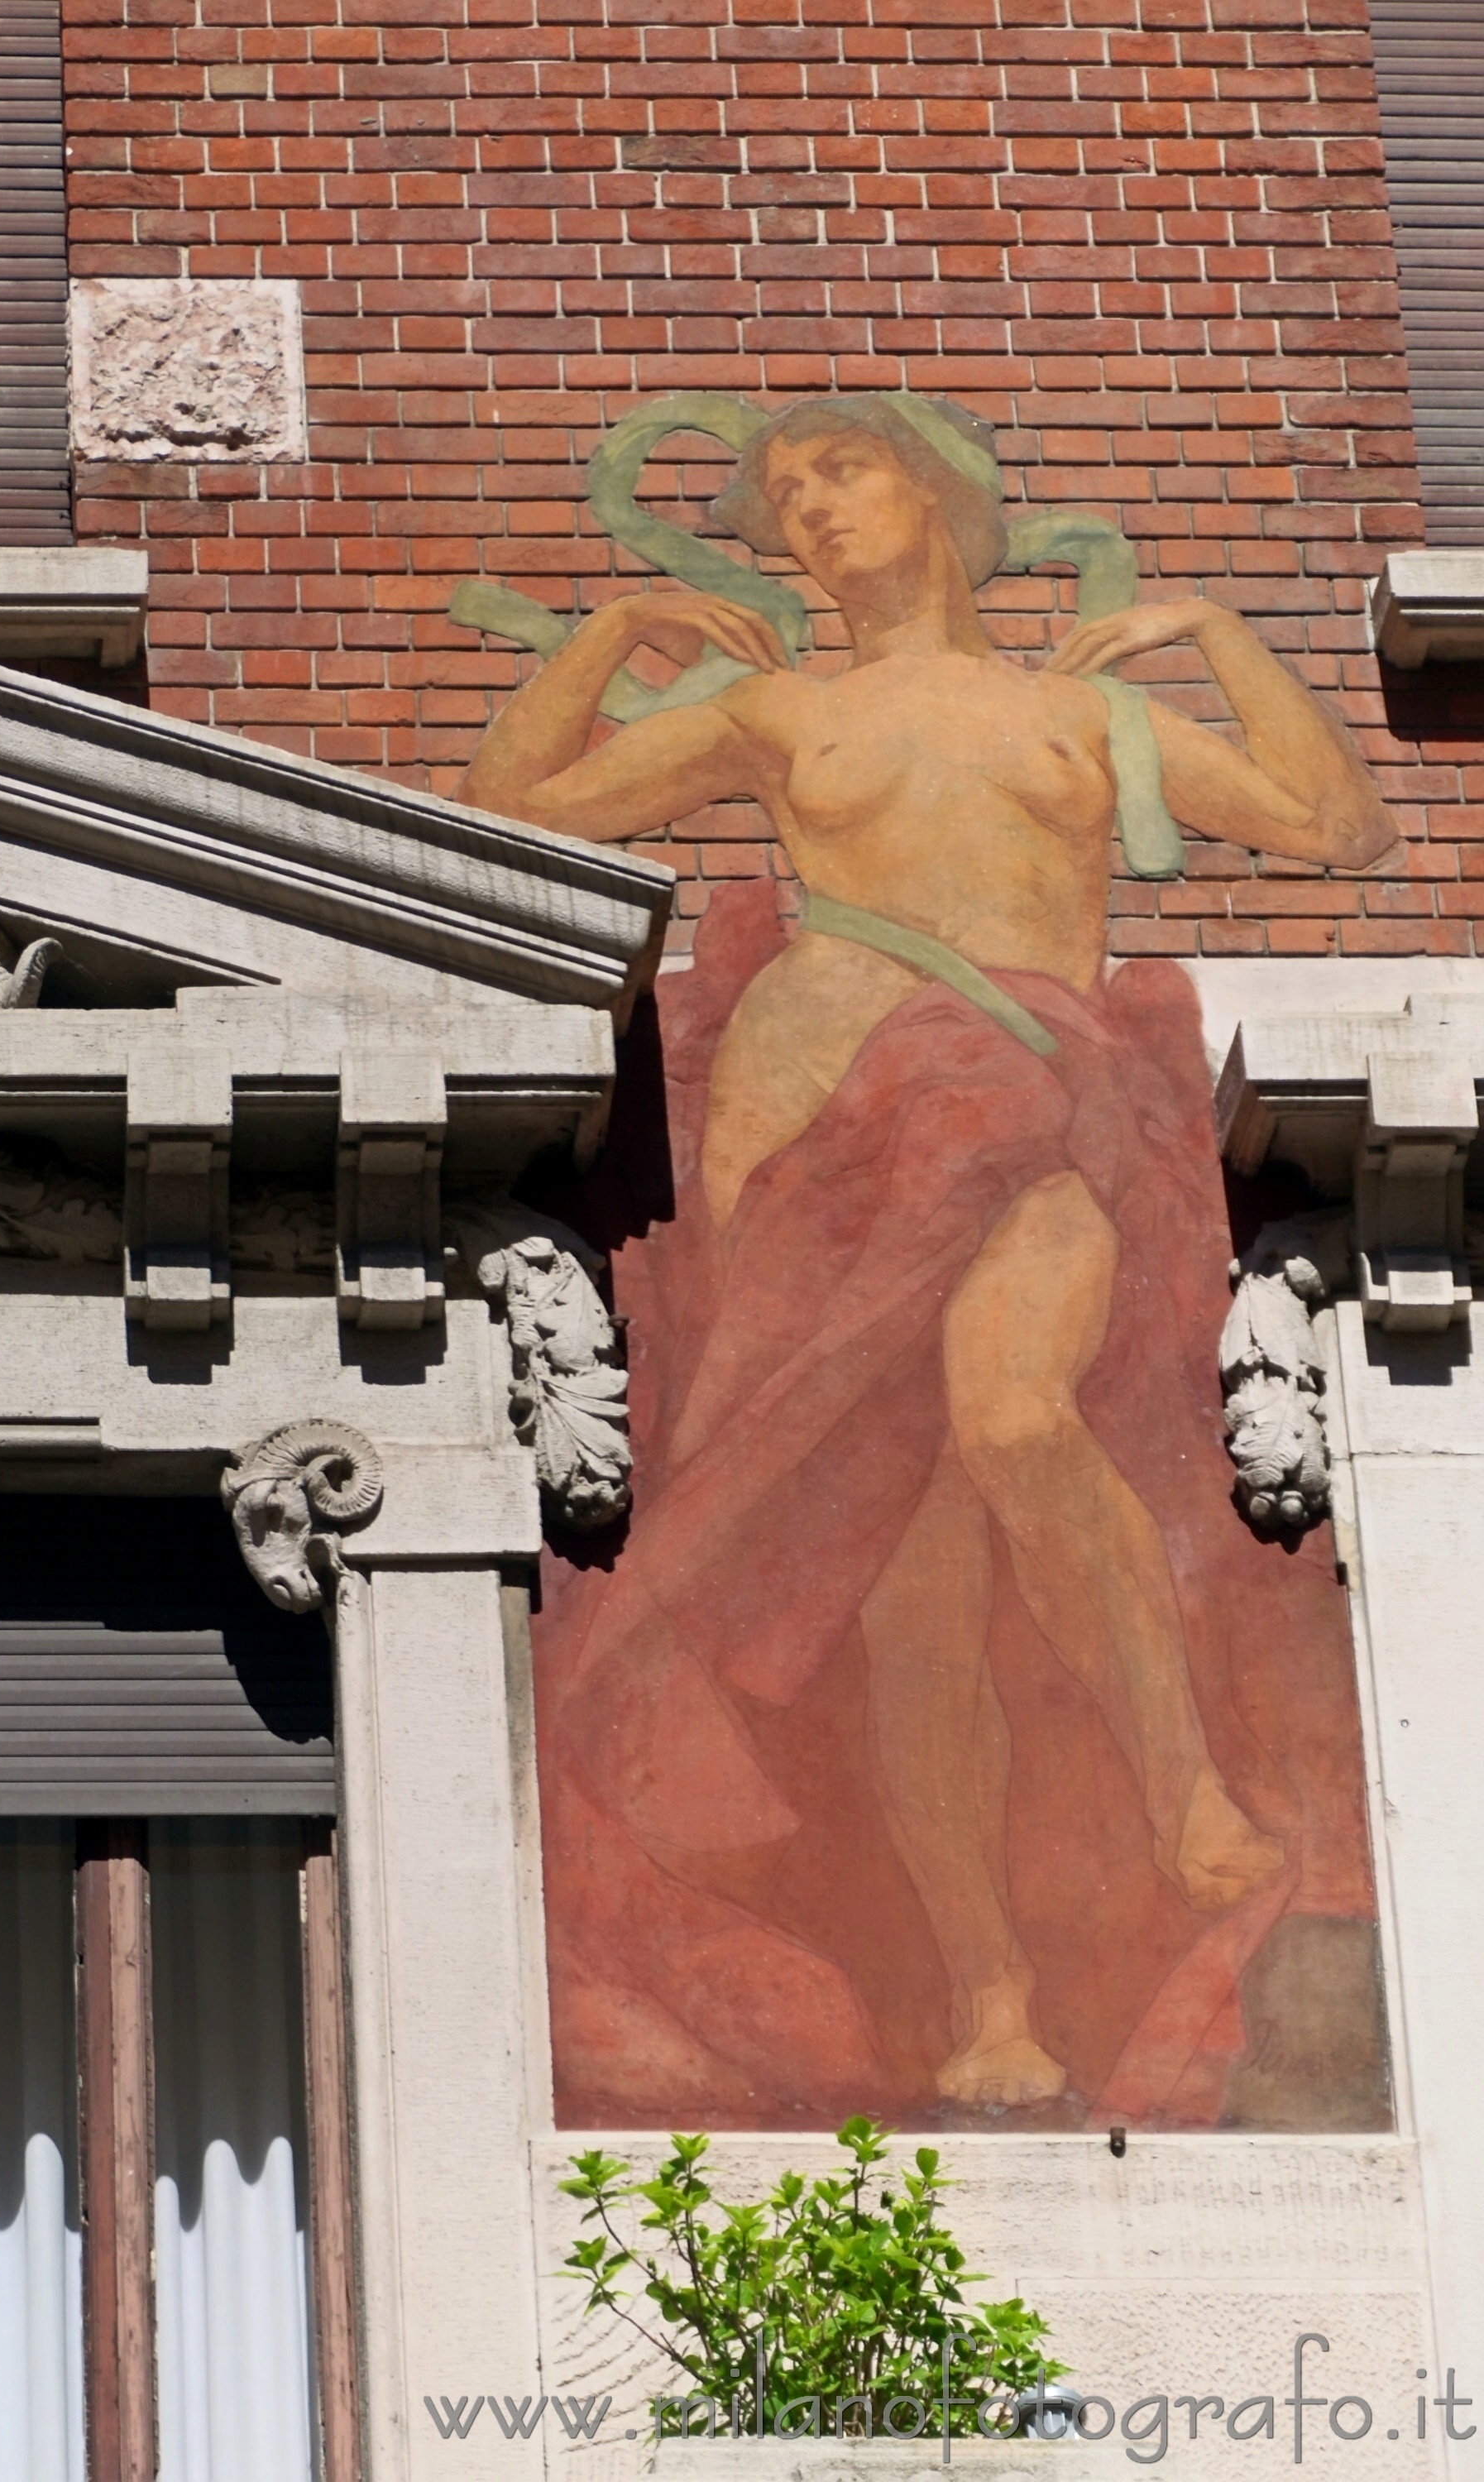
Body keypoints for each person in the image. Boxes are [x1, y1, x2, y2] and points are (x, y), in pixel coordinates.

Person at [462, 395, 1392, 2114]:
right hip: (814, 1127)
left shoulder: (1082, 714)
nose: (806, 511)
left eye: (840, 469)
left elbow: (1330, 827)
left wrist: (1213, 630)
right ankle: (984, 1995)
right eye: (781, 493)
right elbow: (512, 802)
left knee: (1015, 1411)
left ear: (946, 495)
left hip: (1031, 1096)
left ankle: (1177, 1783)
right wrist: (610, 627)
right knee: (904, 1581)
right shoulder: (776, 708)